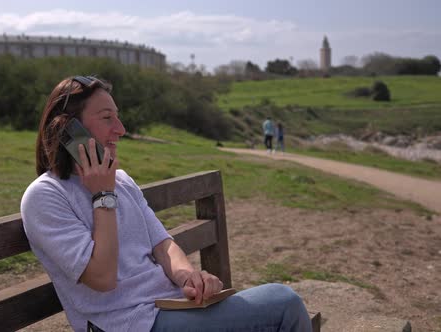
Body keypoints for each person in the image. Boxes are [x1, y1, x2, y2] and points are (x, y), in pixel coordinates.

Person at [21, 76, 312, 332]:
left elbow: (163, 245)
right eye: (107, 118)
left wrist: (189, 276)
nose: (120, 129)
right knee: (284, 304)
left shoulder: (121, 181)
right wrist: (102, 196)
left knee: (280, 303)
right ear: (70, 129)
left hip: (170, 307)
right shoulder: (45, 197)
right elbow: (102, 278)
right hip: (128, 324)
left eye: (118, 117)